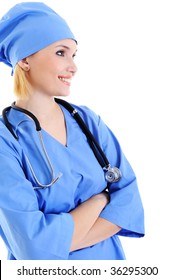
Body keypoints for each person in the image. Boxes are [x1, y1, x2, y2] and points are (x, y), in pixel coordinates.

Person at [0, 2, 144, 260]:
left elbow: (130, 201)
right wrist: (102, 199)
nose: (73, 67)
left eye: (73, 55)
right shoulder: (6, 139)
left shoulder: (86, 121)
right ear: (24, 59)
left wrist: (55, 243)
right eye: (60, 53)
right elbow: (32, 248)